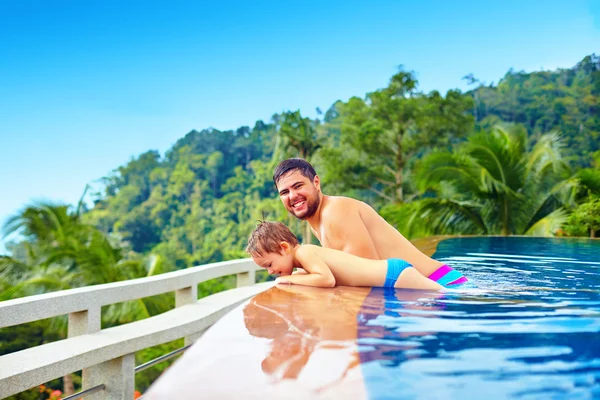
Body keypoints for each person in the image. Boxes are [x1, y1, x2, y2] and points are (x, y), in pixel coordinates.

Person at [272, 158, 468, 287]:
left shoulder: (335, 211)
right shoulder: (318, 222)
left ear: (316, 183)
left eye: (298, 186)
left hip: (445, 286)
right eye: (285, 192)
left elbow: (366, 274)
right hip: (429, 287)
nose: (293, 196)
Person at [246, 221, 442, 290]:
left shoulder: (305, 252)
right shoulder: (303, 258)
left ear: (284, 247)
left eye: (269, 264)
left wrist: (289, 280)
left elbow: (327, 280)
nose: (271, 271)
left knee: (445, 297)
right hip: (391, 275)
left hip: (394, 275)